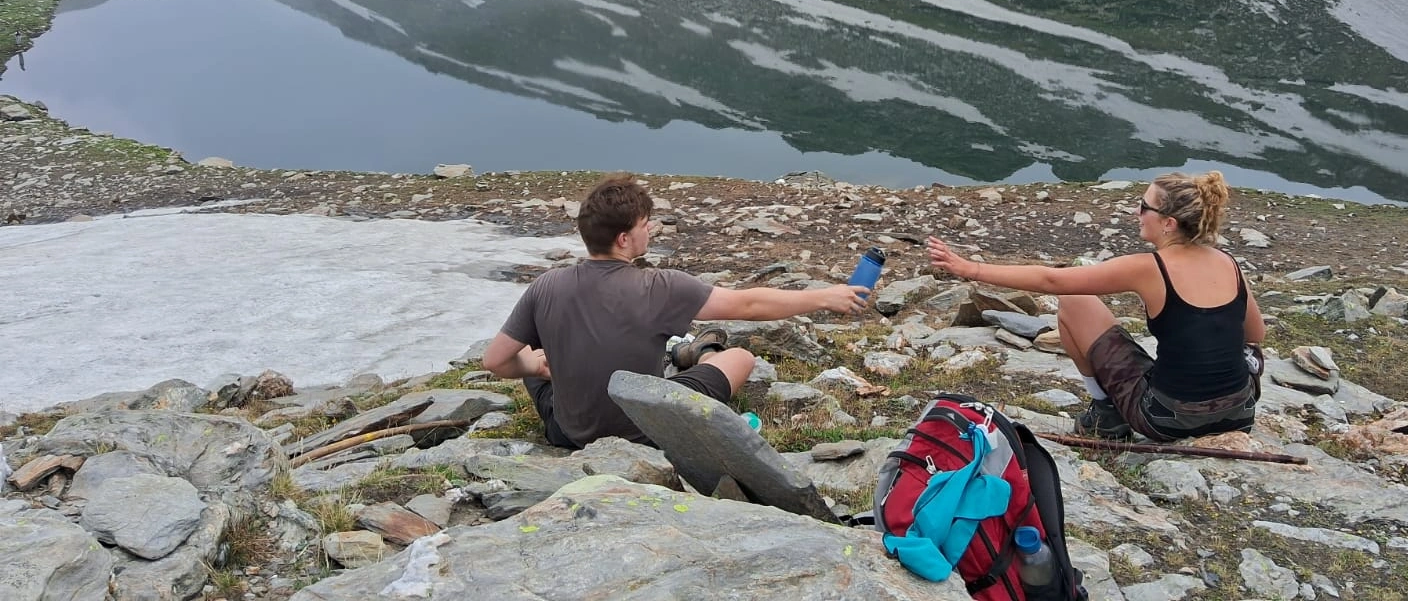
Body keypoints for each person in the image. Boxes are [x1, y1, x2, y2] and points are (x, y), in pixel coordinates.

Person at [483, 174, 871, 449]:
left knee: (534, 363)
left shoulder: (546, 285)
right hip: (650, 429)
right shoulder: (661, 286)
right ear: (623, 238)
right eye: (644, 225)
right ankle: (697, 352)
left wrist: (535, 367)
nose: (649, 230)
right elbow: (748, 304)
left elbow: (495, 361)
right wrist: (824, 296)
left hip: (568, 434)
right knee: (740, 357)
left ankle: (681, 352)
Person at [927, 170, 1264, 442]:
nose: (1138, 212)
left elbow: (1052, 281)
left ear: (1168, 223)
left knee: (1073, 301)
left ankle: (1105, 413)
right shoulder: (1228, 262)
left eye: (1145, 207)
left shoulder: (1149, 268)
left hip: (1167, 419)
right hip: (1240, 413)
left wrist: (969, 268)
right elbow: (1256, 333)